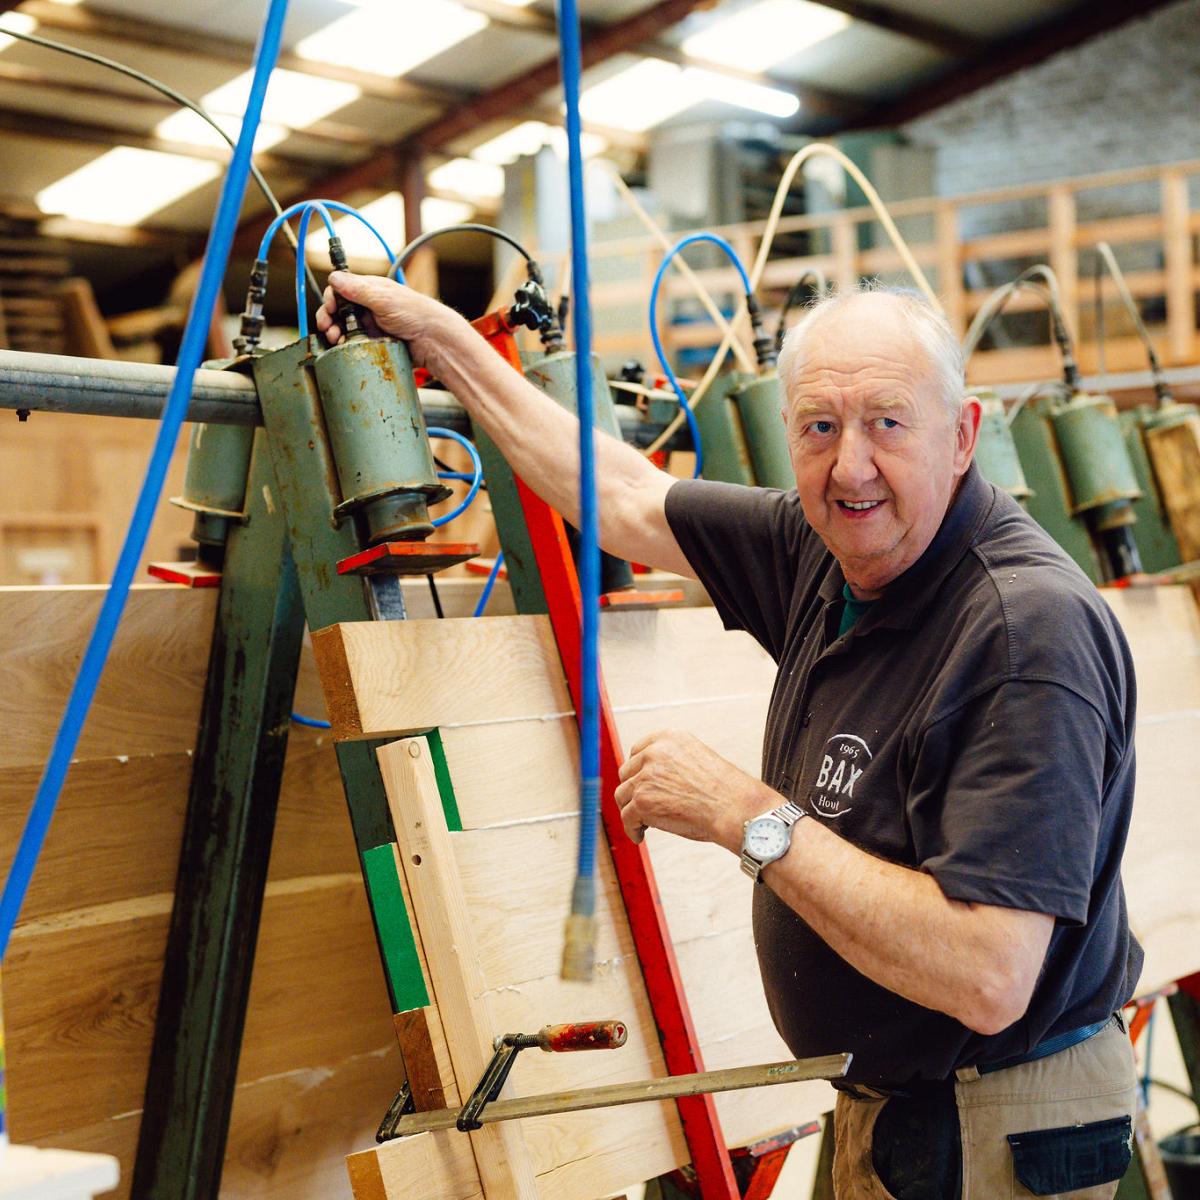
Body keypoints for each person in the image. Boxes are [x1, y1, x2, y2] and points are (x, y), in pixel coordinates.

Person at [318, 275, 1141, 1199]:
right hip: (907, 1105)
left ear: (963, 435)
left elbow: (989, 975)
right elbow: (626, 495)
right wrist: (443, 342)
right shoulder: (827, 551)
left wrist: (751, 817)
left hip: (995, 1119)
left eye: (888, 424)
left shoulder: (1023, 631)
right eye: (819, 427)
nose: (851, 467)